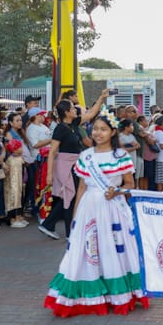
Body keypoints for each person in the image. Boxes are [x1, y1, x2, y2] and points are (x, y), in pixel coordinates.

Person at [44, 107, 148, 317]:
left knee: (112, 249)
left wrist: (117, 191)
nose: (98, 133)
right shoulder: (86, 156)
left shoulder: (120, 156)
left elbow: (130, 185)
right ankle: (89, 292)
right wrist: (74, 217)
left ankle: (116, 293)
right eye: (95, 129)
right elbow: (82, 187)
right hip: (89, 208)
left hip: (112, 208)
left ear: (112, 132)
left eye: (103, 129)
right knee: (88, 249)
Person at [38, 90, 108, 240]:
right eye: (71, 108)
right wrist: (49, 174)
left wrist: (101, 97)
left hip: (75, 165)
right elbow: (52, 151)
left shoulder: (74, 124)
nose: (75, 109)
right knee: (71, 196)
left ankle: (49, 224)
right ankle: (70, 232)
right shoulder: (60, 128)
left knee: (69, 197)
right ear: (66, 112)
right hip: (65, 166)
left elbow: (91, 113)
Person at [4, 138, 27, 228]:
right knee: (13, 199)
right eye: (19, 147)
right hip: (12, 184)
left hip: (19, 183)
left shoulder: (19, 158)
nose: (21, 149)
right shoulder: (11, 159)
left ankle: (19, 216)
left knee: (19, 198)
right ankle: (13, 218)